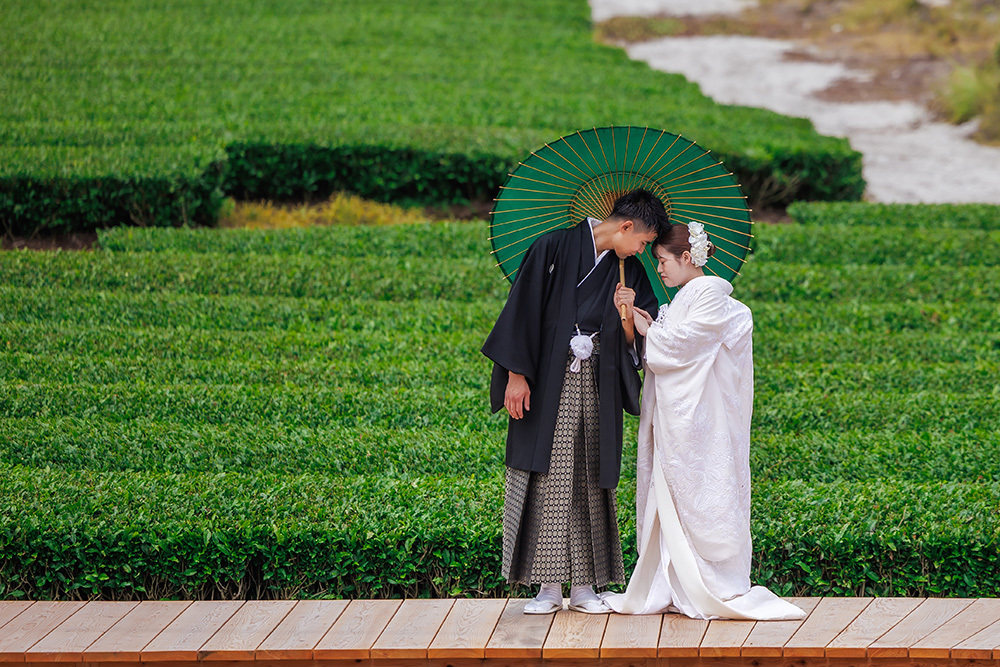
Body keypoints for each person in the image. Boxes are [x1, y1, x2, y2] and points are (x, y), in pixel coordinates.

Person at [602, 222, 805, 620]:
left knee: (705, 496)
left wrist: (650, 331)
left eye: (661, 260)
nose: (657, 269)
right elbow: (676, 345)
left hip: (701, 422)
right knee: (673, 500)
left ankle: (709, 583)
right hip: (679, 420)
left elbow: (681, 349)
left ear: (687, 258)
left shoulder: (708, 295)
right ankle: (674, 581)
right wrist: (644, 322)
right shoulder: (683, 299)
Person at [482, 189, 670, 614]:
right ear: (625, 227)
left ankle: (585, 586)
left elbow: (636, 339)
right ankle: (547, 587)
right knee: (547, 475)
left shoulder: (630, 271)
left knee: (588, 477)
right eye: (642, 241)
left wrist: (627, 312)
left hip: (598, 382)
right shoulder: (553, 246)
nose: (643, 250)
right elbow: (523, 309)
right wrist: (515, 375)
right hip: (547, 378)